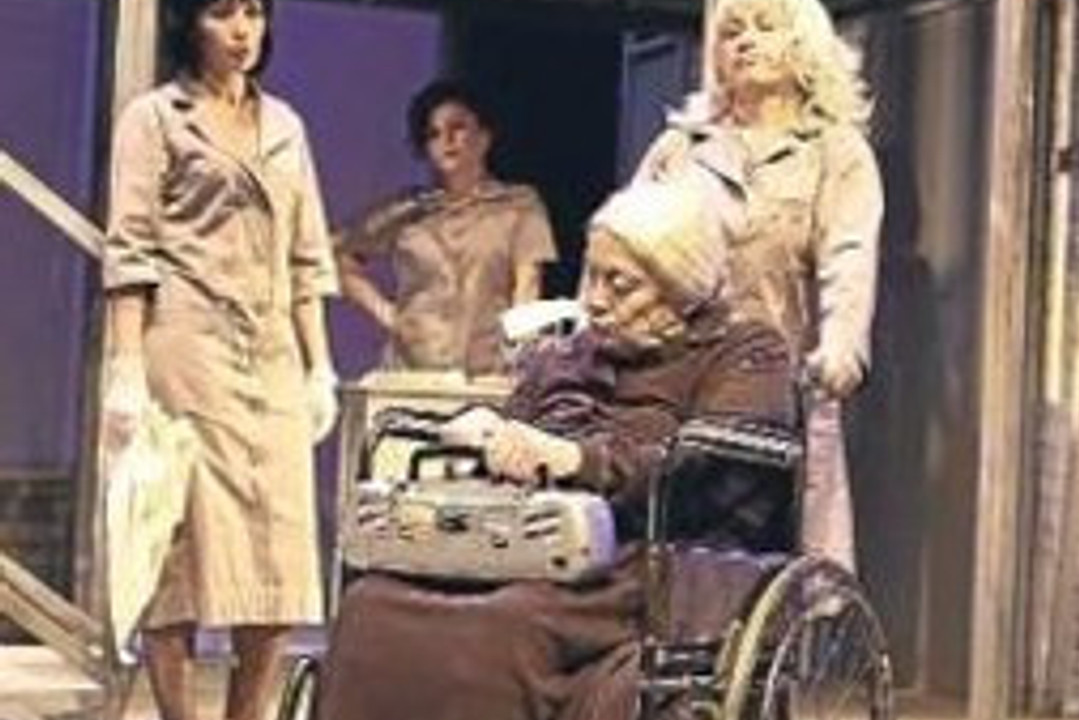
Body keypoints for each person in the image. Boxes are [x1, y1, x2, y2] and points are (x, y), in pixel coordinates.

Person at [315, 179, 795, 720]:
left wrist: (575, 460)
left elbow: (710, 469)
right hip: (533, 540)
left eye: (620, 284)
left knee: (504, 626)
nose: (595, 300)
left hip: (648, 556)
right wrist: (489, 433)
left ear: (680, 287)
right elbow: (521, 435)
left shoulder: (746, 353)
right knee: (372, 605)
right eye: (592, 274)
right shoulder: (570, 354)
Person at [98, 1, 338, 718]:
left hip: (271, 357)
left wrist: (319, 365)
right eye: (223, 12)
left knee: (278, 555)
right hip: (187, 351)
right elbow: (131, 249)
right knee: (177, 547)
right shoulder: (155, 117)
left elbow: (308, 258)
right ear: (190, 24)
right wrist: (126, 367)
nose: (242, 30)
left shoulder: (285, 125)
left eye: (254, 12)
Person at [634, 0, 884, 570]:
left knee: (797, 568)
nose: (744, 41)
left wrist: (842, 349)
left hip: (783, 396)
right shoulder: (681, 150)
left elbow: (848, 258)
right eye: (732, 32)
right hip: (683, 390)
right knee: (674, 559)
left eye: (765, 26)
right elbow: (624, 250)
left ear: (803, 43)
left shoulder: (835, 152)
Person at [335, 79, 559, 375]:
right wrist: (389, 315)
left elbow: (527, 286)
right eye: (434, 134)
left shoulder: (518, 206)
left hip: (487, 373)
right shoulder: (408, 209)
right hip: (412, 372)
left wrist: (519, 359)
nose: (447, 141)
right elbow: (337, 254)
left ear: (484, 137)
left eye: (457, 128)